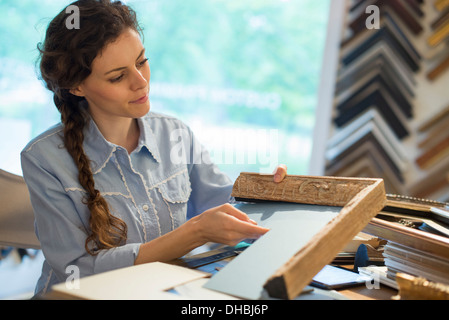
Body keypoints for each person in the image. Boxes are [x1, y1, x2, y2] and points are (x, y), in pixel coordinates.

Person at [21, 0, 287, 296]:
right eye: (118, 76)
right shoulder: (44, 159)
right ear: (77, 86)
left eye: (142, 61)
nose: (141, 82)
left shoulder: (175, 133)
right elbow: (79, 270)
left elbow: (224, 207)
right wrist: (194, 232)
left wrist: (269, 196)